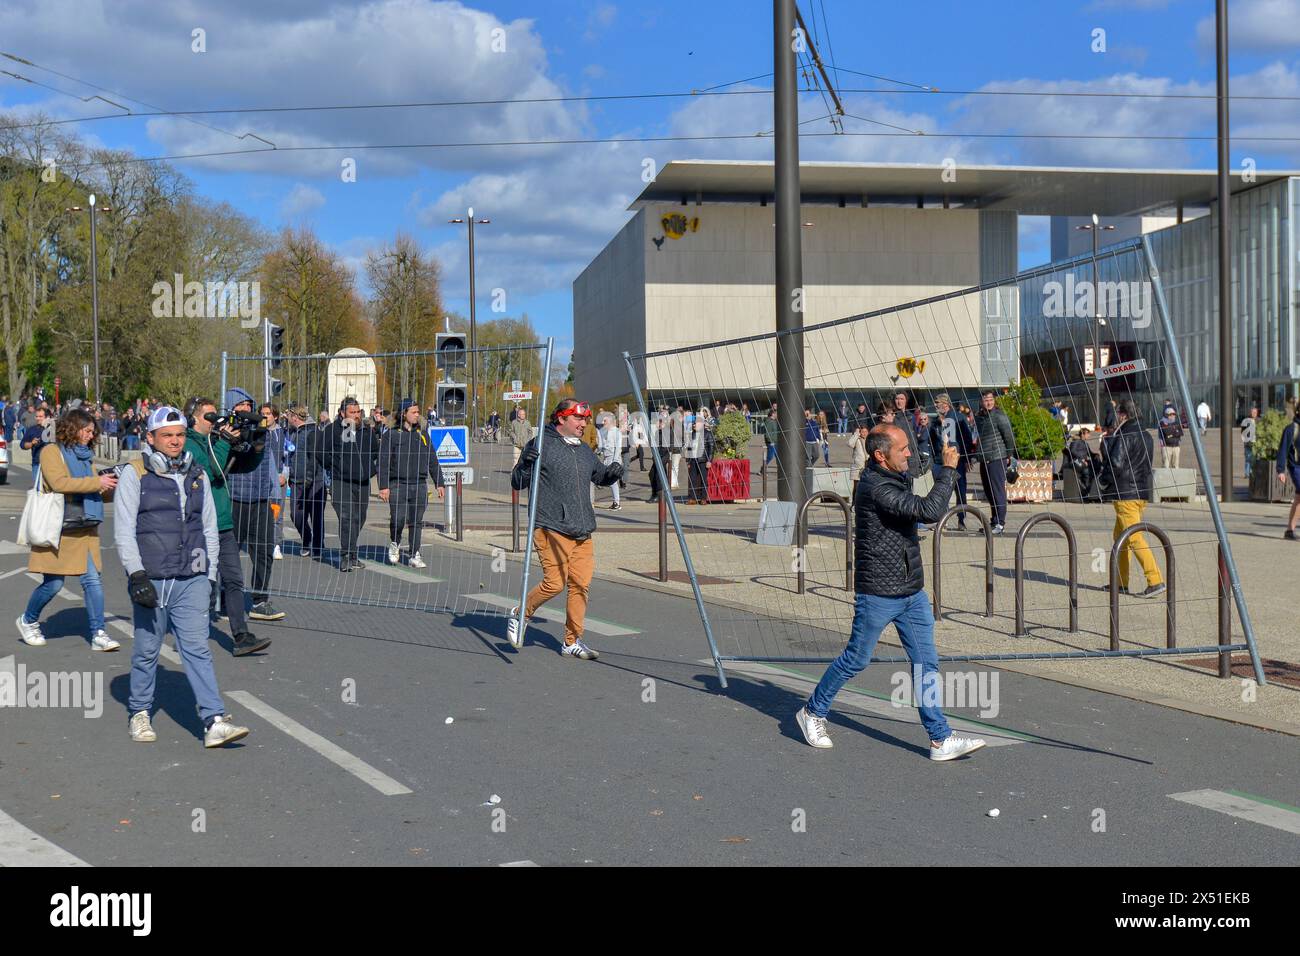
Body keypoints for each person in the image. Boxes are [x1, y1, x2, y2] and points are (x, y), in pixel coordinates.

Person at [794, 424, 986, 761]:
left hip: (911, 590)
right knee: (857, 658)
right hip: (880, 592)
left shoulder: (894, 473)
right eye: (902, 450)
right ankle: (812, 712)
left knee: (926, 661)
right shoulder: (874, 487)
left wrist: (933, 445)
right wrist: (949, 471)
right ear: (881, 456)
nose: (909, 454)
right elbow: (929, 511)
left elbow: (918, 466)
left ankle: (940, 739)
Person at [115, 406, 250, 747]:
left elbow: (208, 528)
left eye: (178, 435)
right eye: (166, 436)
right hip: (153, 577)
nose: (174, 441)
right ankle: (140, 712)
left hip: (191, 576)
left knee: (197, 648)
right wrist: (137, 575)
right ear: (151, 438)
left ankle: (213, 719)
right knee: (147, 650)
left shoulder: (197, 474)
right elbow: (124, 531)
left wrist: (209, 576)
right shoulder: (135, 474)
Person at [507, 399, 623, 659]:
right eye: (578, 419)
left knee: (580, 586)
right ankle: (521, 613)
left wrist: (612, 473)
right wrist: (525, 463)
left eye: (586, 419)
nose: (584, 424)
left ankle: (572, 640)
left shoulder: (582, 450)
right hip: (551, 526)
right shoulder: (541, 444)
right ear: (561, 419)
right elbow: (517, 481)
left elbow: (600, 476)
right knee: (555, 583)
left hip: (582, 531)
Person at [16, 408, 120, 652]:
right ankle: (28, 620)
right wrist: (97, 482)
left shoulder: (86, 456)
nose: (89, 436)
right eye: (86, 430)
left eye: (92, 432)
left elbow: (92, 489)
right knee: (53, 584)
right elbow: (59, 483)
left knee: (93, 580)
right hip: (59, 528)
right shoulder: (51, 451)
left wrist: (112, 487)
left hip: (85, 526)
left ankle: (98, 633)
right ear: (72, 429)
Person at [183, 396, 273, 657]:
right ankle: (189, 631)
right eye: (209, 416)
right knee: (200, 583)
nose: (215, 421)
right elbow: (212, 472)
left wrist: (257, 446)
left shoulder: (214, 441)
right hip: (198, 527)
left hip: (222, 523)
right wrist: (223, 442)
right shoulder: (189, 444)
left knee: (234, 579)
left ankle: (241, 636)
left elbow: (240, 467)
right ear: (194, 418)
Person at [225, 389, 285, 621]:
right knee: (228, 555)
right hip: (235, 501)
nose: (246, 409)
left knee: (263, 551)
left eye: (249, 404)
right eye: (240, 405)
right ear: (231, 409)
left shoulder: (262, 432)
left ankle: (260, 599)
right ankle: (222, 596)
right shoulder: (225, 433)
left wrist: (274, 494)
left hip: (260, 501)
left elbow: (268, 463)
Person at [1101, 400, 1165, 598]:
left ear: (1122, 415)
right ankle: (1120, 582)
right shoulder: (1147, 435)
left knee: (1133, 536)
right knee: (1120, 537)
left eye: (1118, 413)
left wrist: (1104, 478)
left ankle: (1155, 580)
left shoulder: (1124, 434)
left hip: (1125, 492)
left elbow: (1116, 463)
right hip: (1141, 491)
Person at [379, 399, 444, 567]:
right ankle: (395, 542)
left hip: (419, 484)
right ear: (403, 414)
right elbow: (383, 462)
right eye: (413, 412)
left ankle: (415, 554)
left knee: (416, 521)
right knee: (398, 519)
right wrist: (384, 486)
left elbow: (432, 459)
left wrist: (439, 482)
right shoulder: (391, 435)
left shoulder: (422, 434)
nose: (417, 415)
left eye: (418, 411)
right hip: (398, 484)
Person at [321, 397, 381, 571]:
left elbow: (374, 451)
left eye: (357, 412)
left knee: (359, 518)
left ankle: (353, 553)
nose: (356, 416)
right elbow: (321, 453)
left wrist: (368, 468)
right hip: (341, 482)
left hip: (362, 483)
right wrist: (335, 466)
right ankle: (346, 555)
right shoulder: (332, 430)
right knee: (346, 517)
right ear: (342, 413)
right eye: (352, 412)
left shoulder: (366, 431)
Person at [284, 405, 327, 558]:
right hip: (296, 481)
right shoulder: (293, 432)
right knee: (296, 515)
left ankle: (317, 546)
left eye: (288, 415)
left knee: (316, 516)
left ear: (294, 417)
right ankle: (306, 538)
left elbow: (315, 458)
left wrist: (309, 478)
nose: (287, 418)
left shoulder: (313, 432)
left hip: (315, 482)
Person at [974, 390, 1016, 534]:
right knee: (988, 491)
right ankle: (994, 521)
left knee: (997, 490)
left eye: (991, 399)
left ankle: (1000, 523)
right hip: (984, 459)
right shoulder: (979, 417)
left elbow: (1009, 437)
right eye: (986, 399)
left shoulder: (999, 416)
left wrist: (1009, 454)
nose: (989, 402)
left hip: (997, 457)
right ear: (981, 401)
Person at [930, 393, 972, 529]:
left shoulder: (959, 418)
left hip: (957, 461)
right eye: (935, 403)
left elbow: (967, 439)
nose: (935, 405)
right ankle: (943, 520)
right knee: (942, 490)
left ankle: (961, 520)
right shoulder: (936, 422)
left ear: (946, 404)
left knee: (960, 490)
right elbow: (932, 441)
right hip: (939, 462)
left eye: (938, 402)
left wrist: (967, 458)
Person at [260, 403, 287, 560]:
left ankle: (276, 544)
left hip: (277, 481)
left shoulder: (282, 433)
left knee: (276, 513)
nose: (265, 416)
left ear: (275, 416)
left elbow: (289, 455)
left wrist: (284, 474)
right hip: (261, 481)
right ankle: (263, 543)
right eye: (262, 413)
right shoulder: (258, 433)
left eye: (268, 413)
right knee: (261, 514)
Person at [683, 417, 714, 505]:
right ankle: (692, 498)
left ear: (701, 424)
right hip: (693, 460)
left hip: (703, 460)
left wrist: (709, 461)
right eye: (693, 423)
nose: (694, 425)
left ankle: (703, 498)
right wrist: (688, 461)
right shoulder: (692, 434)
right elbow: (689, 448)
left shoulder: (708, 434)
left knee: (703, 480)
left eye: (695, 423)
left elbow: (711, 448)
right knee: (692, 479)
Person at [596, 413, 624, 510]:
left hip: (613, 458)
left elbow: (618, 448)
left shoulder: (617, 432)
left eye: (605, 421)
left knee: (612, 482)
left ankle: (617, 503)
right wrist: (598, 451)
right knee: (611, 482)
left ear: (611, 421)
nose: (603, 423)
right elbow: (602, 446)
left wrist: (615, 461)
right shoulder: (604, 431)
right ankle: (616, 502)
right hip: (606, 458)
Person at [20, 406, 51, 474]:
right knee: (37, 484)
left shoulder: (52, 428)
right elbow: (22, 444)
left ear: (46, 417)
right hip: (37, 463)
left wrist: (48, 426)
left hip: (50, 464)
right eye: (36, 416)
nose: (38, 418)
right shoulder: (32, 429)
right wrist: (31, 444)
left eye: (40, 416)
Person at [1240, 406, 1259, 480]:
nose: (1253, 414)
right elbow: (1243, 431)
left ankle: (1251, 473)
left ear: (1257, 413)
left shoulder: (1259, 421)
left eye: (1254, 412)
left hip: (1256, 443)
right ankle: (1247, 474)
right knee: (1248, 458)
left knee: (1254, 459)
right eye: (1252, 412)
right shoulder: (1246, 421)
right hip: (1248, 442)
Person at [762, 408, 779, 475]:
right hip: (771, 443)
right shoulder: (769, 421)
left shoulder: (775, 421)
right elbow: (767, 433)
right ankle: (762, 470)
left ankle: (780, 470)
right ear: (772, 414)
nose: (777, 415)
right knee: (770, 456)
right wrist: (770, 441)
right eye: (776, 414)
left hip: (776, 442)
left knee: (778, 457)